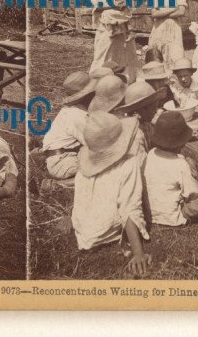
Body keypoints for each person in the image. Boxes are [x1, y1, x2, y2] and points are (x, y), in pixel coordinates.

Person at [72, 111, 151, 275]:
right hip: (104, 231)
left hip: (83, 230)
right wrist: (138, 253)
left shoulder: (84, 168)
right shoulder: (129, 164)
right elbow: (129, 207)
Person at [88, 0, 140, 82]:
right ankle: (96, 81)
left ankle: (126, 80)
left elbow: (127, 3)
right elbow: (97, 5)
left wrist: (122, 4)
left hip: (122, 26)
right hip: (105, 27)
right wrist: (114, 6)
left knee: (125, 54)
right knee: (103, 54)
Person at [41, 71, 97, 180]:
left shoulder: (71, 111)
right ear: (87, 96)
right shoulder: (77, 116)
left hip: (61, 157)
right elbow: (94, 144)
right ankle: (59, 185)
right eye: (93, 93)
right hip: (63, 162)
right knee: (103, 170)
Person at [148, 0, 187, 70]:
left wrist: (162, 12)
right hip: (159, 28)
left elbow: (181, 12)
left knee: (176, 55)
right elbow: (154, 14)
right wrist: (172, 9)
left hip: (174, 29)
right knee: (159, 54)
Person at [114, 80, 168, 151]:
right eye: (153, 108)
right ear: (142, 110)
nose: (156, 111)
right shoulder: (135, 137)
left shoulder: (146, 124)